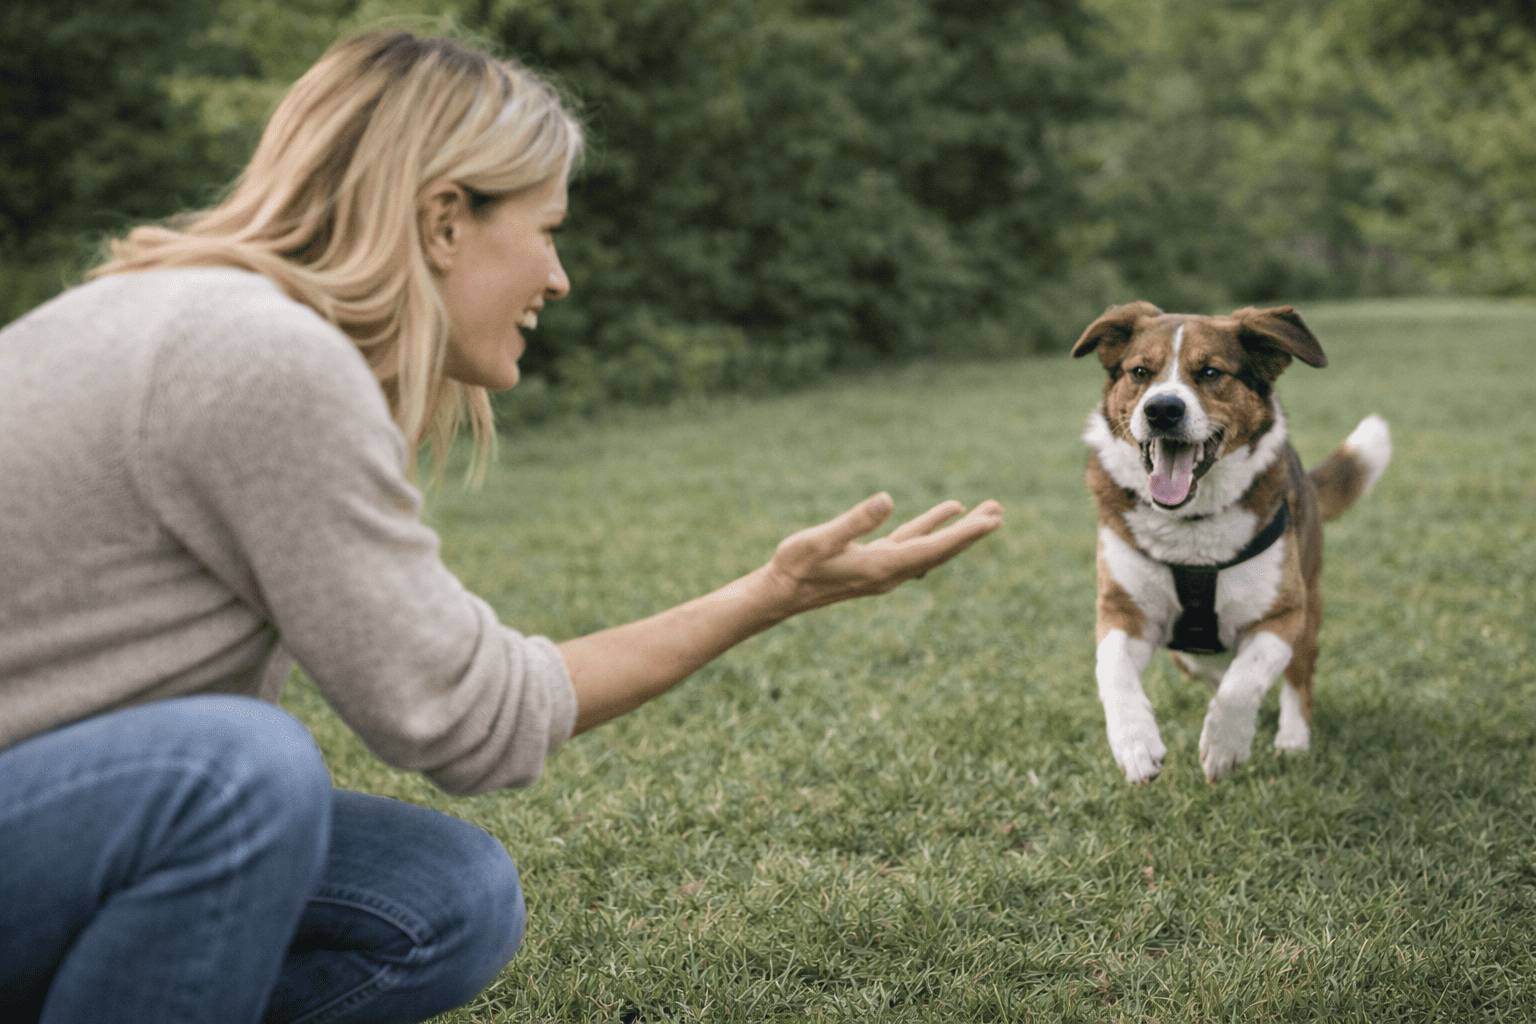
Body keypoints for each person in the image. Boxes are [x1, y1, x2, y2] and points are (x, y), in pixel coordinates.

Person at [0, 30, 1003, 1024]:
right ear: (444, 220)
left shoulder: (198, 318)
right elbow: (469, 718)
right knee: (235, 772)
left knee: (443, 895)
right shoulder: (261, 357)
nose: (558, 278)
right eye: (547, 228)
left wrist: (771, 592)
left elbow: (435, 696)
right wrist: (768, 595)